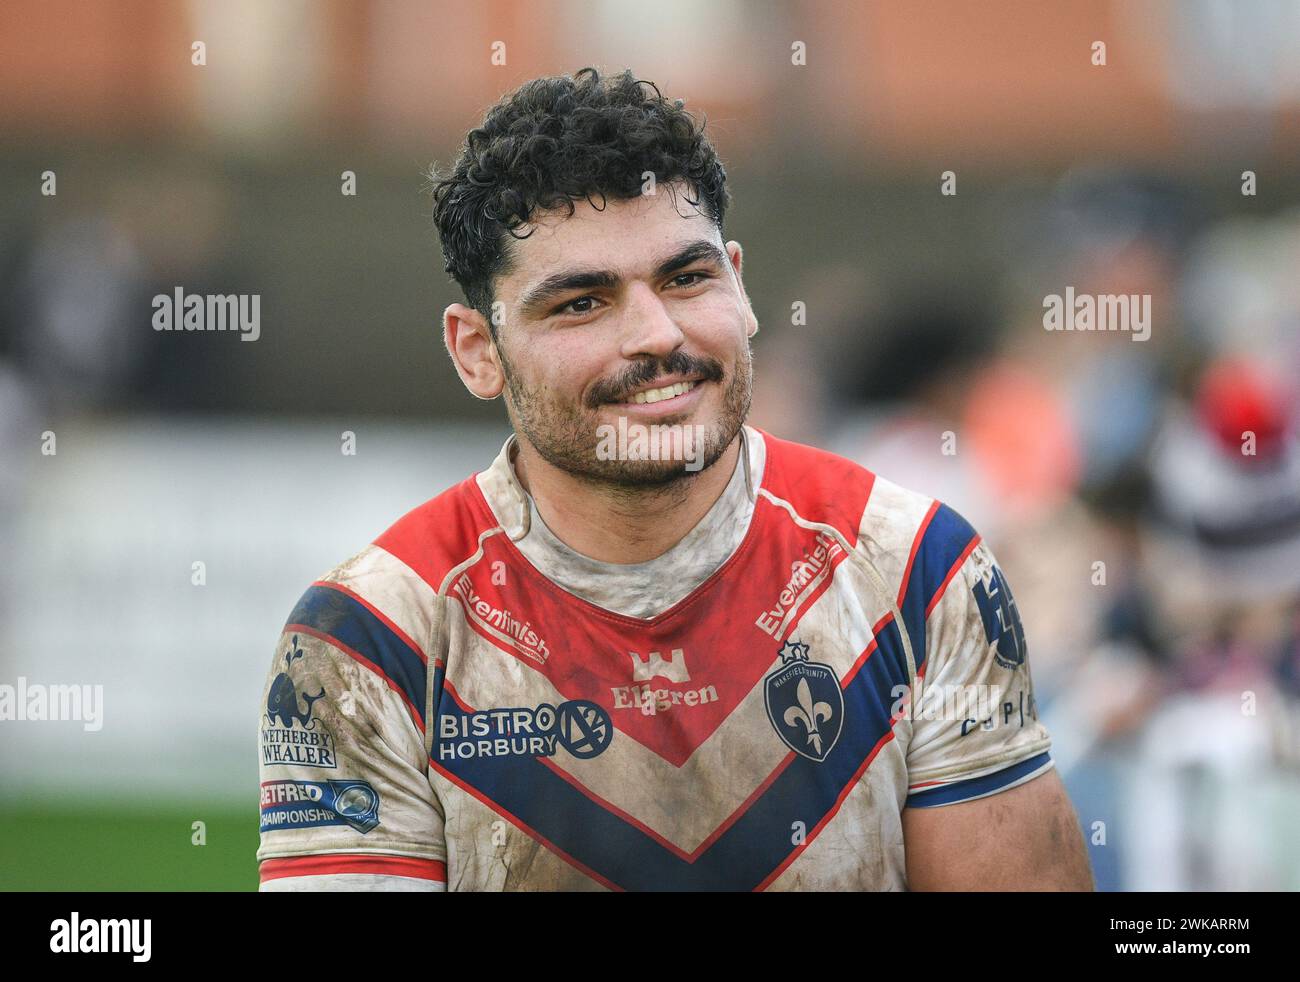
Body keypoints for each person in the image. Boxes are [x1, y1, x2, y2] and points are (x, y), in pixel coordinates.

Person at [256, 67, 1093, 891]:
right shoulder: (371, 635)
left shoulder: (916, 569)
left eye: (687, 279)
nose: (657, 335)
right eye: (581, 303)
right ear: (478, 351)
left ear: (740, 281)